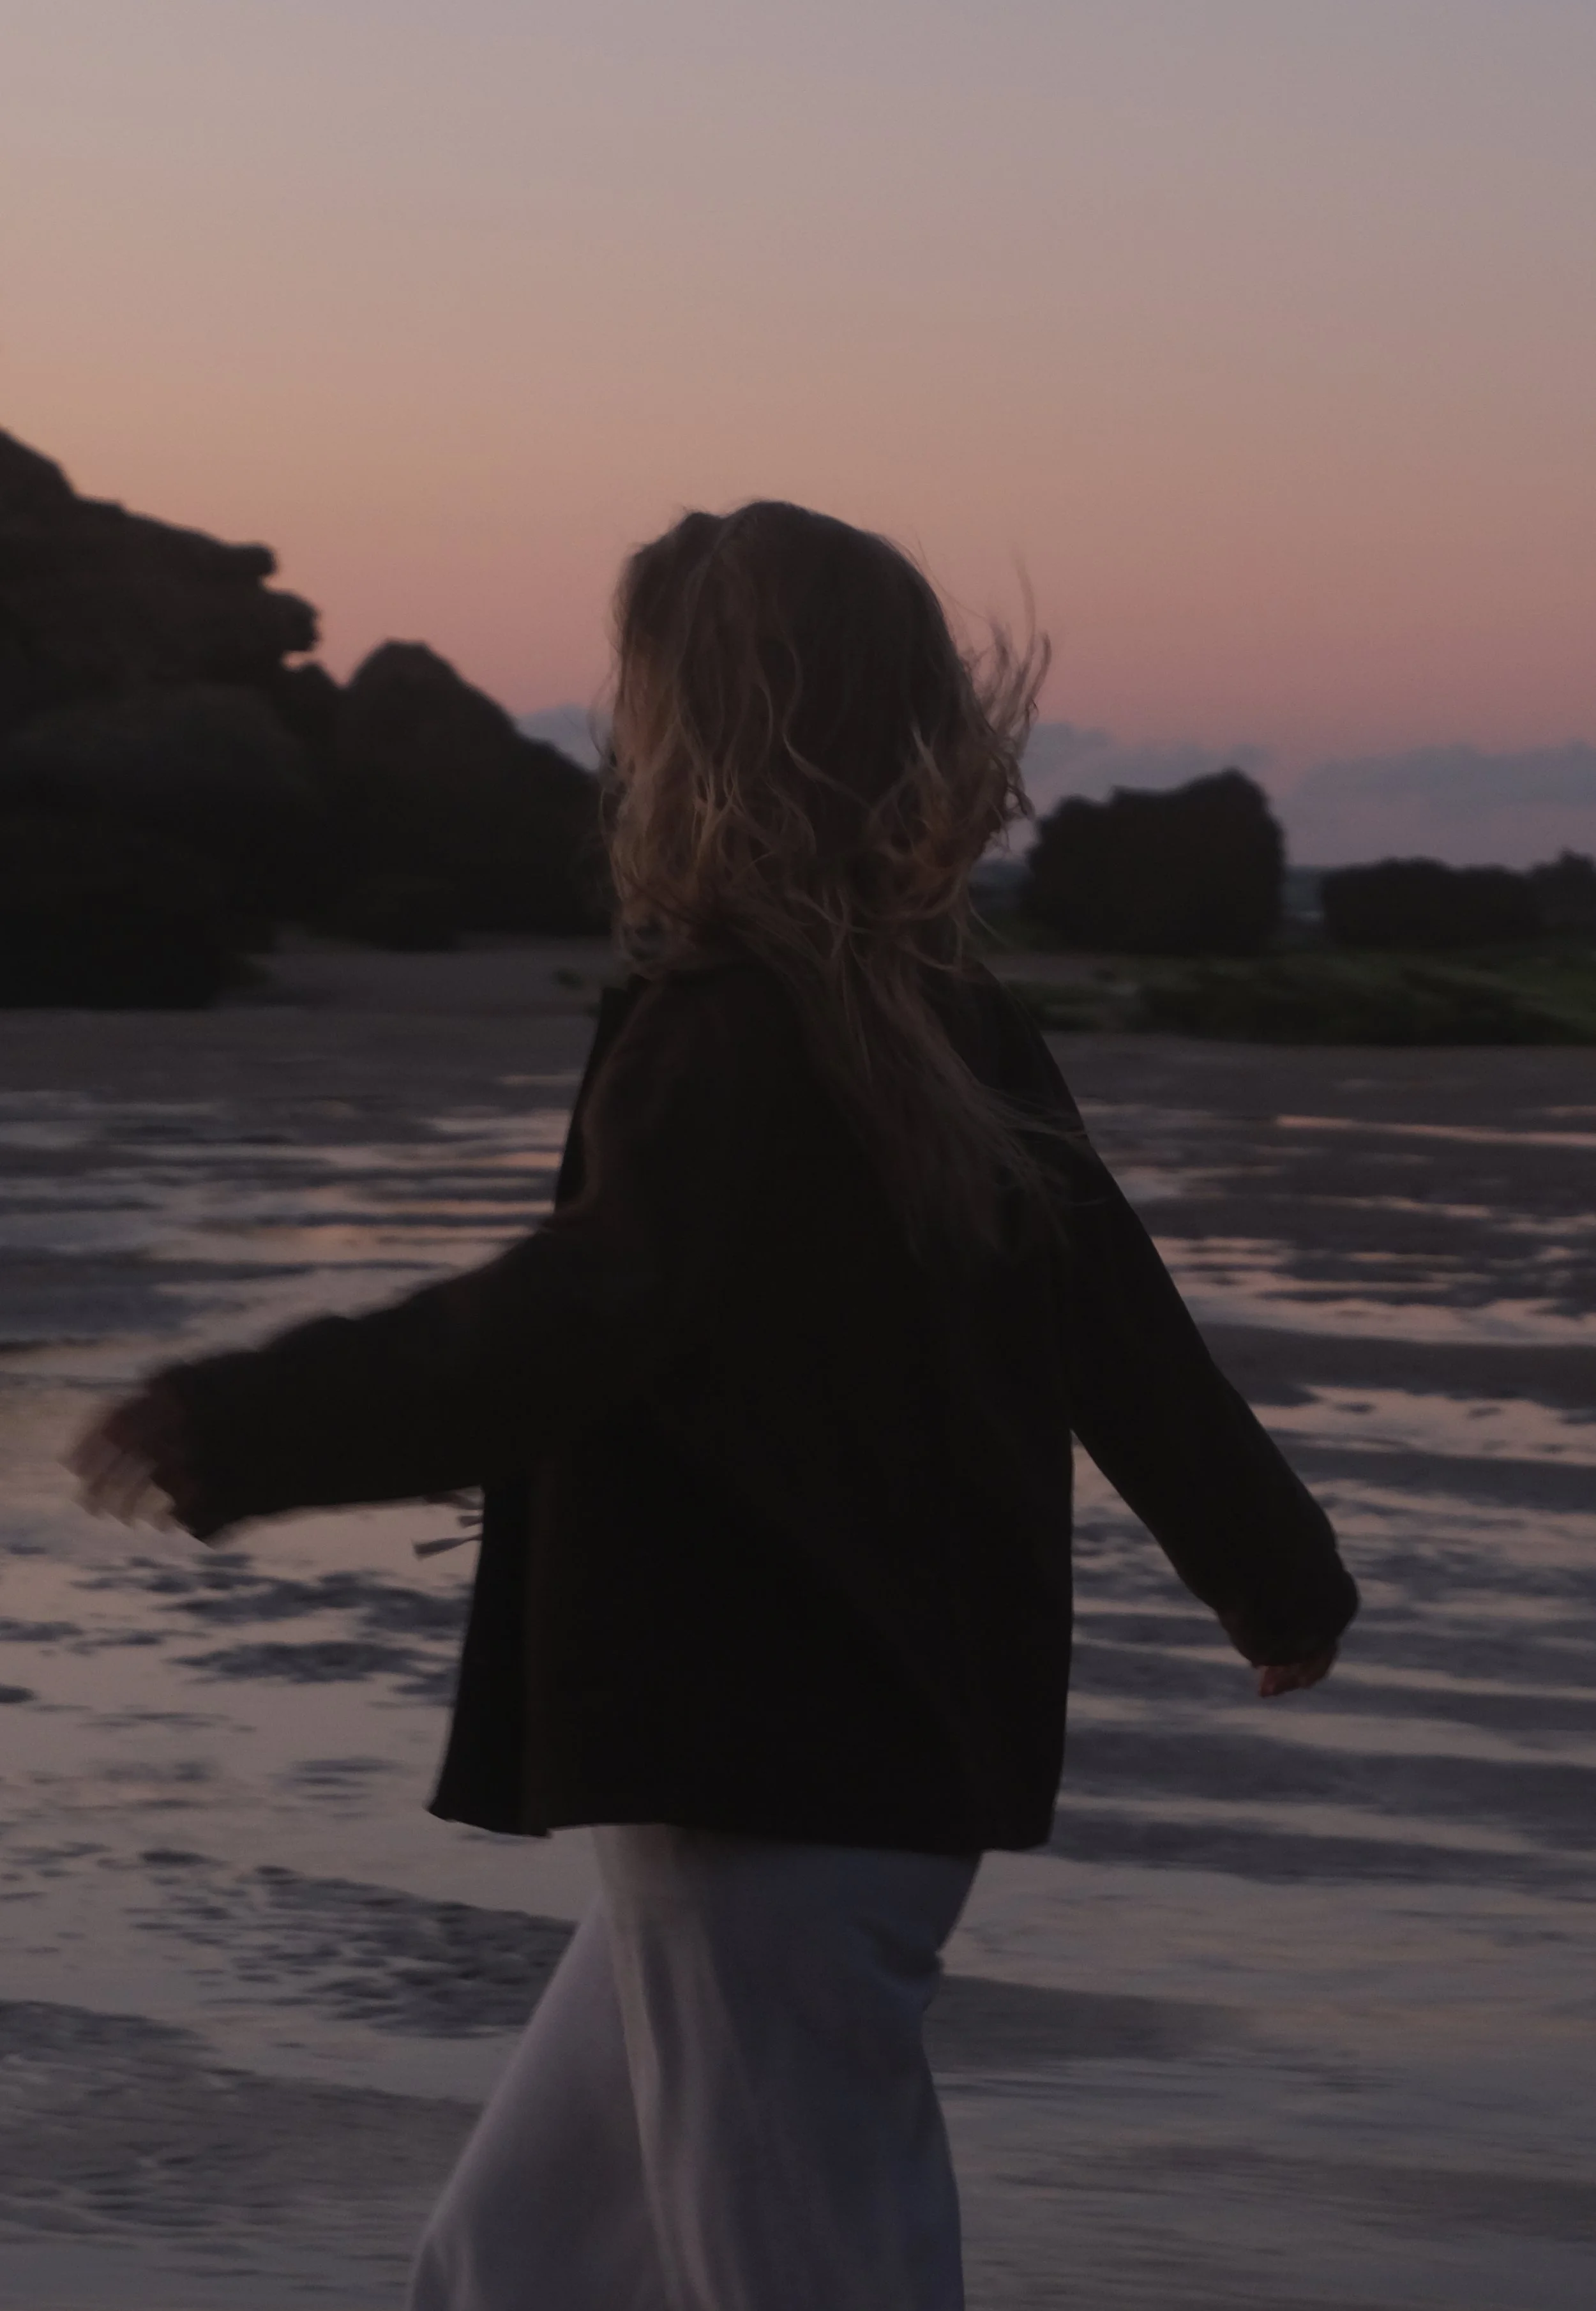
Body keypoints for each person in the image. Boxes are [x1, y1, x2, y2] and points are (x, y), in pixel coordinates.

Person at [73, 502, 1357, 2311]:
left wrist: (244, 1423)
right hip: (862, 1748)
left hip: (752, 1749)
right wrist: (1275, 1573)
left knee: (803, 2267)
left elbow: (566, 1319)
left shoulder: (741, 1021)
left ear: (702, 727)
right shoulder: (929, 1010)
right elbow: (1121, 1329)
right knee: (513, 2263)